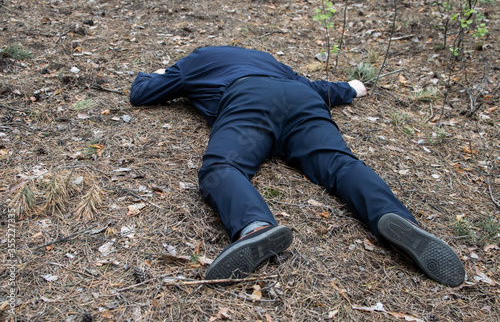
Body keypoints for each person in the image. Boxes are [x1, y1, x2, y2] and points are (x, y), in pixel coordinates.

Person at [130, 46, 465, 287]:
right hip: (300, 97)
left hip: (251, 101)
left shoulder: (196, 59)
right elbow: (315, 87)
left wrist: (159, 74)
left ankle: (255, 228)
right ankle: (395, 218)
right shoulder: (269, 60)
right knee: (339, 165)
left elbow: (143, 93)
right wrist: (351, 88)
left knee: (222, 167)